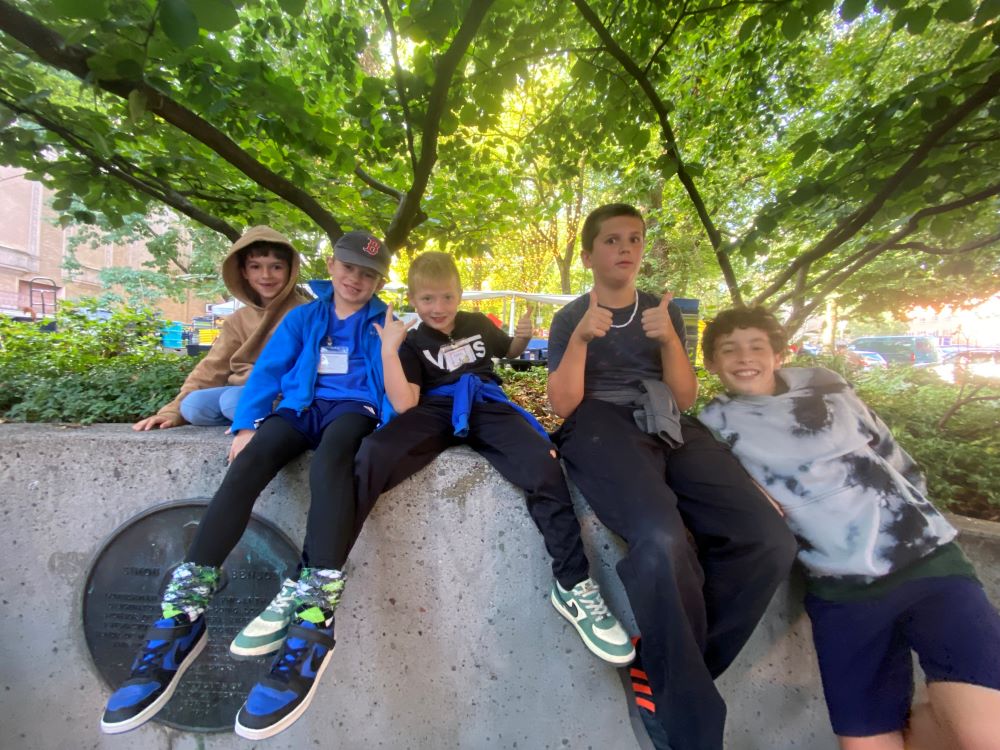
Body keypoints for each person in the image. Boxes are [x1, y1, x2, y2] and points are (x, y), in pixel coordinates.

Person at [100, 231, 395, 740]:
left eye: (368, 274)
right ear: (332, 265)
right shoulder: (305, 317)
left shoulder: (383, 322)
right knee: (251, 461)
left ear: (379, 280)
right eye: (348, 269)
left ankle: (314, 617)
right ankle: (182, 613)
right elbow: (267, 374)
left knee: (333, 462)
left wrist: (391, 425)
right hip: (299, 408)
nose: (356, 280)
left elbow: (396, 378)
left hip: (353, 411)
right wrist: (245, 425)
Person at [545, 203, 797, 750]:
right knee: (660, 539)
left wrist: (669, 340)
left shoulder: (664, 311)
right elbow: (563, 404)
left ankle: (670, 668)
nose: (626, 249)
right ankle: (688, 727)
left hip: (666, 421)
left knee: (770, 539)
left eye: (633, 238)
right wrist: (583, 340)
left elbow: (684, 397)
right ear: (588, 255)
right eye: (611, 240)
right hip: (597, 424)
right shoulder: (569, 317)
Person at [699, 306, 1000, 750]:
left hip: (927, 565)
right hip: (841, 591)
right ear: (711, 363)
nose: (745, 358)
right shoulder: (713, 427)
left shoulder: (829, 389)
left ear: (779, 354)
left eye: (756, 346)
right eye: (730, 350)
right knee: (866, 744)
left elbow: (893, 455)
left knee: (981, 736)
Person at [352, 250, 634, 666]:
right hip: (433, 407)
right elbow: (405, 402)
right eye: (427, 299)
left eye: (447, 298)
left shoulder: (478, 325)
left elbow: (509, 350)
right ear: (413, 299)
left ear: (461, 295)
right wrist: (389, 352)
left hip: (487, 404)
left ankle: (573, 584)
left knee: (543, 462)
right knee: (373, 453)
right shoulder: (410, 341)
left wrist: (521, 335)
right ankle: (321, 575)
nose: (438, 308)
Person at [133, 225, 308, 430]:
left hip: (279, 394)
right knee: (192, 406)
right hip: (240, 391)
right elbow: (212, 367)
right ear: (243, 272)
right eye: (255, 267)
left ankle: (259, 418)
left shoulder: (306, 313)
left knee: (232, 402)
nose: (266, 275)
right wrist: (172, 411)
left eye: (276, 267)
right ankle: (249, 415)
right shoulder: (237, 319)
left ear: (291, 271)